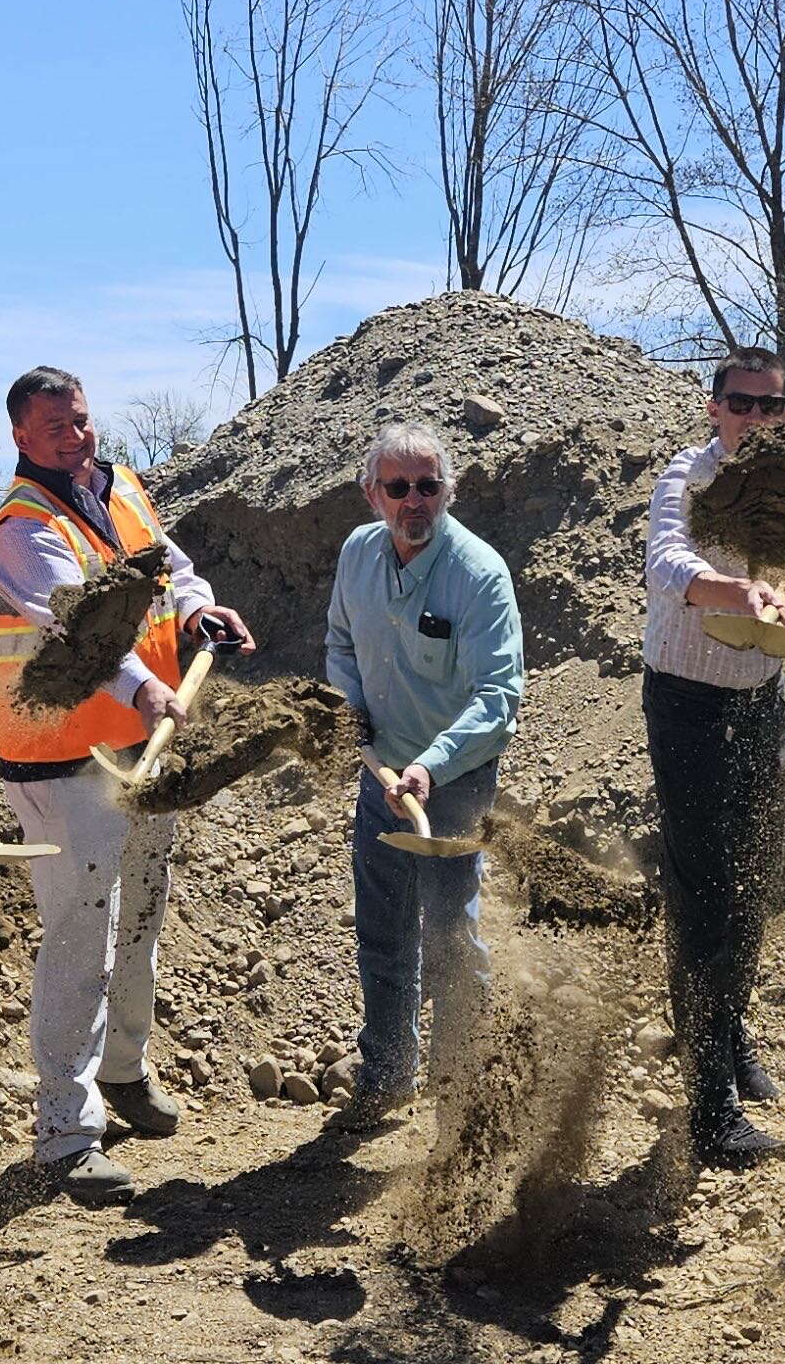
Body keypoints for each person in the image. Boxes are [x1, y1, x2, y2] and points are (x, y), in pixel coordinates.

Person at [0, 366, 252, 1203]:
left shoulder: (119, 487)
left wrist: (200, 612)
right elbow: (81, 627)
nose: (73, 435)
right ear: (19, 435)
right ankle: (64, 1125)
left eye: (80, 419)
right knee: (78, 933)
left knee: (142, 915)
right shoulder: (22, 529)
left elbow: (171, 572)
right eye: (53, 425)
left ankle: (123, 1070)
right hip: (64, 760)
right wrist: (145, 688)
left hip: (140, 750)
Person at [641, 345, 785, 1167]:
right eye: (740, 404)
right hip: (687, 699)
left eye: (770, 406)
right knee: (703, 886)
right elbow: (667, 561)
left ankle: (727, 1035)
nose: (754, 419)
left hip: (763, 696)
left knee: (753, 876)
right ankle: (708, 1109)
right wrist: (731, 590)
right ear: (714, 407)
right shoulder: (688, 477)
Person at [324, 422, 523, 1126]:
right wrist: (349, 715)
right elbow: (340, 644)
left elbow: (498, 698)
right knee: (381, 928)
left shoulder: (477, 573)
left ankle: (462, 1083)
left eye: (428, 486)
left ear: (448, 491)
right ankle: (386, 1075)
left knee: (447, 928)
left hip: (454, 774)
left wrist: (430, 767)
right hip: (381, 774)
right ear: (371, 493)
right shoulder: (357, 554)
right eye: (398, 486)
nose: (414, 500)